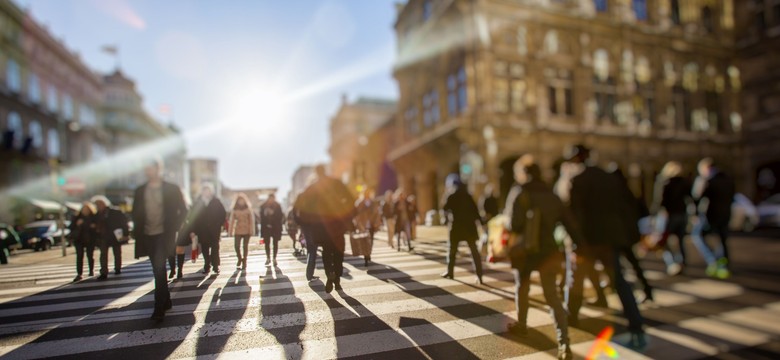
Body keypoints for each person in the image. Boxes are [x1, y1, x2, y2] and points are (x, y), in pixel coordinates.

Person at [561, 144, 646, 349]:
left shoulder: (577, 180)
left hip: (586, 240)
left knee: (576, 279)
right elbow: (624, 206)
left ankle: (571, 316)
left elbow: (574, 214)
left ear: (575, 160)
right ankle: (636, 322)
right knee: (619, 280)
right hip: (610, 238)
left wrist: (575, 240)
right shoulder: (609, 178)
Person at [504, 155, 577, 360]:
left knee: (522, 287)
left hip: (525, 252)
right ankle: (564, 343)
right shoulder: (552, 194)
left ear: (523, 173)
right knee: (552, 296)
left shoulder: (519, 192)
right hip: (549, 251)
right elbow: (567, 222)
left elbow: (513, 224)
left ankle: (522, 324)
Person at [132, 158, 187, 322]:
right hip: (148, 234)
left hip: (164, 234)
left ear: (158, 169)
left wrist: (174, 228)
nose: (148, 171)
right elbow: (135, 213)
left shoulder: (171, 188)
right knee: (159, 269)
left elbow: (183, 210)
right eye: (146, 168)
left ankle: (158, 308)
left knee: (159, 270)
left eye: (150, 168)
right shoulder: (140, 190)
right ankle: (167, 300)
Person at [307, 165, 354, 293]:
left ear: (316, 173)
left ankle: (329, 275)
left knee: (327, 253)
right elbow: (350, 199)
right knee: (338, 253)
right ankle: (337, 279)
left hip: (322, 227)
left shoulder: (313, 187)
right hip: (337, 224)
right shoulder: (336, 183)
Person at [691, 158, 736, 279]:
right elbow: (732, 196)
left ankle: (712, 260)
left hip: (709, 214)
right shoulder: (727, 179)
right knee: (722, 241)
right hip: (725, 214)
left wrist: (695, 213)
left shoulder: (707, 180)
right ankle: (723, 266)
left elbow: (697, 197)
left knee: (697, 235)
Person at [441, 174, 484, 284]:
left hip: (456, 227)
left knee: (452, 251)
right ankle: (479, 275)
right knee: (474, 251)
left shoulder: (451, 195)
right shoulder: (468, 195)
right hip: (469, 227)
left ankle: (450, 272)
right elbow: (475, 211)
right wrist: (481, 223)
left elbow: (444, 208)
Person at [652, 161, 692, 275]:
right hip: (681, 214)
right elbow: (690, 198)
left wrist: (653, 214)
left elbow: (659, 200)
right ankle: (681, 262)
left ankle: (672, 263)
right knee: (680, 240)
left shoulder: (664, 182)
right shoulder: (684, 182)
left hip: (667, 215)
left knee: (663, 240)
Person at [184, 183, 226, 275]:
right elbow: (192, 217)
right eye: (205, 191)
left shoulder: (216, 201)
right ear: (202, 192)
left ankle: (215, 266)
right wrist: (193, 230)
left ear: (211, 192)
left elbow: (222, 214)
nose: (207, 192)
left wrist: (218, 224)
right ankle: (207, 265)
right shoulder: (198, 202)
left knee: (215, 247)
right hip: (202, 230)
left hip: (214, 229)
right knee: (205, 248)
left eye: (208, 191)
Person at [92, 196, 129, 281]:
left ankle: (117, 268)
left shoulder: (115, 211)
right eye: (97, 204)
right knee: (103, 254)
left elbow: (124, 222)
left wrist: (125, 233)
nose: (98, 206)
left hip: (115, 235)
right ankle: (104, 272)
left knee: (117, 252)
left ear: (104, 203)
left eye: (100, 204)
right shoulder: (97, 214)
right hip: (103, 236)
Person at [293, 175, 321, 282]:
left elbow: (295, 210)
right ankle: (310, 274)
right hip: (314, 225)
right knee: (313, 248)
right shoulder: (317, 195)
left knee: (312, 248)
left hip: (307, 224)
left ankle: (310, 274)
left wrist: (299, 222)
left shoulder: (302, 194)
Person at [69, 202, 97, 282]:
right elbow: (71, 227)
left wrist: (93, 226)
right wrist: (77, 224)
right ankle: (79, 274)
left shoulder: (93, 217)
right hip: (79, 240)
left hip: (90, 239)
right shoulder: (77, 217)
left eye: (87, 209)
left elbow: (96, 227)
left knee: (90, 255)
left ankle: (91, 270)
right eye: (84, 209)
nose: (85, 211)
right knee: (79, 256)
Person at [228, 193, 255, 271]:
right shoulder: (235, 209)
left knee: (245, 246)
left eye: (242, 200)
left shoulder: (248, 209)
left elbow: (251, 220)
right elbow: (231, 221)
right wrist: (230, 231)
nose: (241, 202)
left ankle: (245, 261)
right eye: (239, 200)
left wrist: (251, 230)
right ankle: (240, 258)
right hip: (238, 230)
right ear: (237, 201)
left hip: (247, 230)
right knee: (236, 246)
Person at [260, 193, 284, 266]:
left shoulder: (278, 205)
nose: (271, 200)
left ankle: (274, 258)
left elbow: (281, 216)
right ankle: (268, 258)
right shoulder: (263, 206)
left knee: (275, 243)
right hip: (266, 227)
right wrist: (265, 213)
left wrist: (273, 213)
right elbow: (261, 217)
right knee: (267, 243)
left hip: (275, 227)